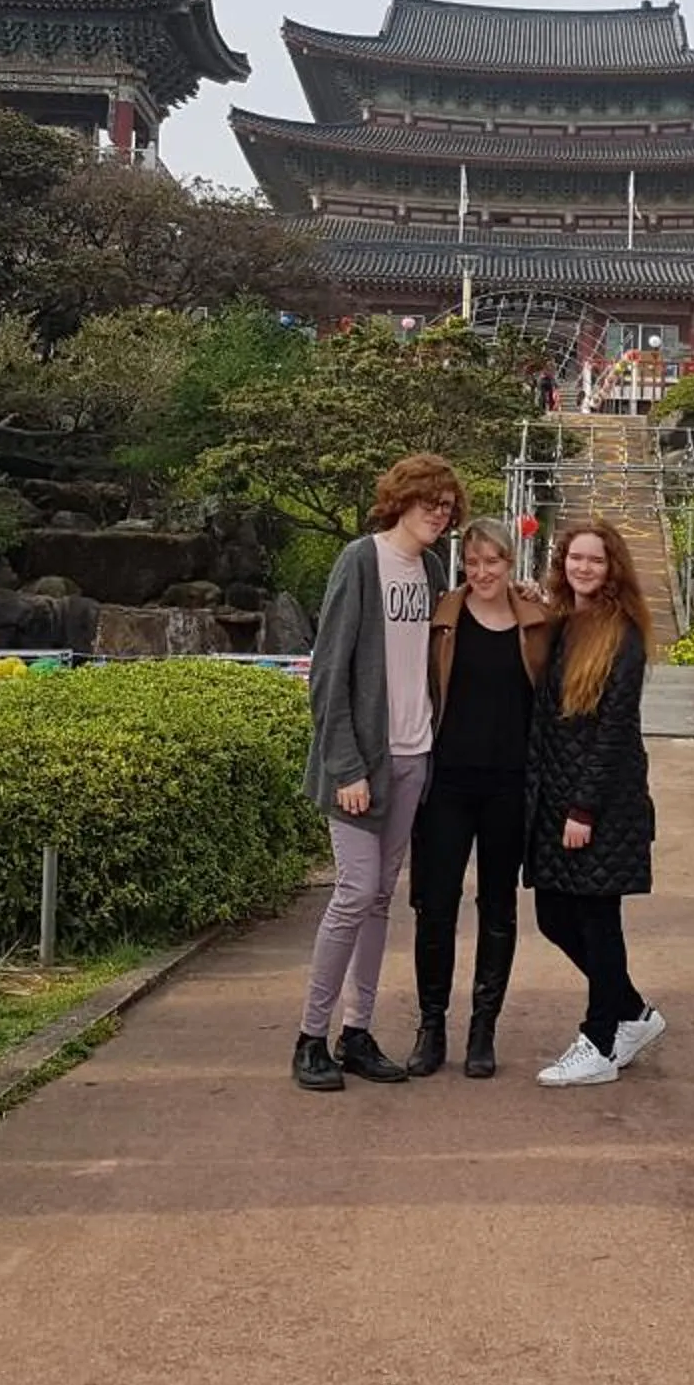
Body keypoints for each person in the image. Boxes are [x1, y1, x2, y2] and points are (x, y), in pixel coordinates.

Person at [294, 453, 461, 1093]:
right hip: (361, 765)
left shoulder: (434, 570)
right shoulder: (361, 561)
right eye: (430, 502)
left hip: (414, 759)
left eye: (447, 507)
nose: (439, 515)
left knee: (382, 899)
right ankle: (311, 1035)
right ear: (401, 499)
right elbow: (328, 673)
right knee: (355, 892)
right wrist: (345, 766)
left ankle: (356, 1032)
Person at [406, 517, 553, 1078]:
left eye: (493, 561)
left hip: (509, 785)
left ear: (510, 563)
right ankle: (431, 1025)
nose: (482, 572)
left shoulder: (536, 622)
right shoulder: (441, 618)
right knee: (434, 905)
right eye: (473, 562)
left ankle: (483, 1027)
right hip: (448, 782)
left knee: (497, 907)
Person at [524, 516, 663, 1088]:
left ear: (613, 569)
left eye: (595, 560)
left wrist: (584, 809)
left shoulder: (623, 634)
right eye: (575, 558)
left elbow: (614, 733)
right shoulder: (562, 622)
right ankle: (632, 1010)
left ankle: (601, 1039)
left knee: (596, 917)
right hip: (554, 795)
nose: (584, 567)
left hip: (599, 803)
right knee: (554, 915)